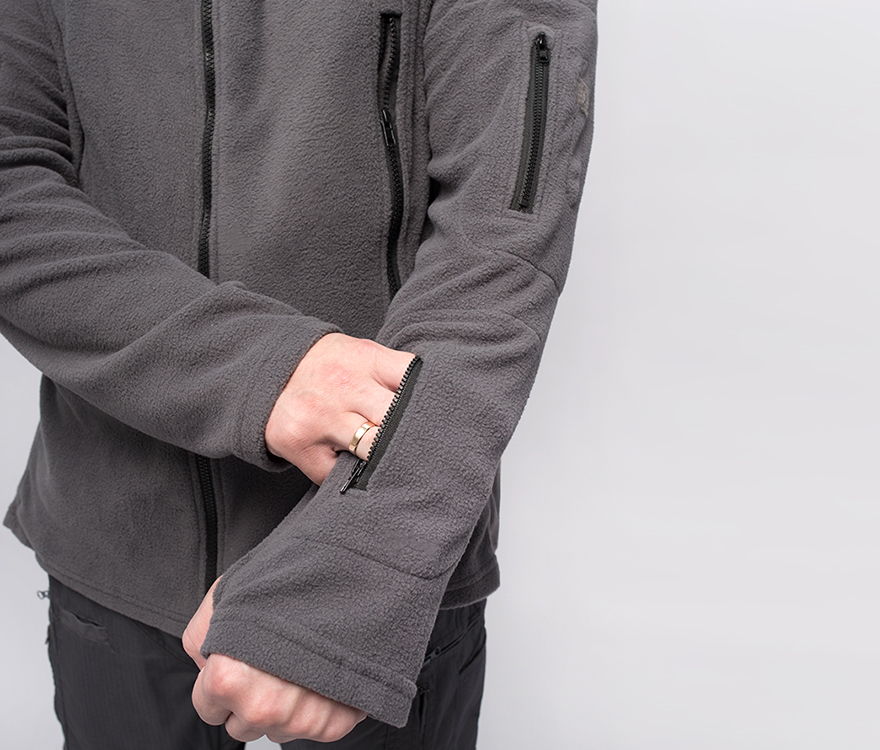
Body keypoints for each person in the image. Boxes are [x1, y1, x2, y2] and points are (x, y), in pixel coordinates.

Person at [0, 0, 597, 745]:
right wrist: (260, 371)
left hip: (386, 554)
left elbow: (499, 243)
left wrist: (349, 580)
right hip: (111, 542)